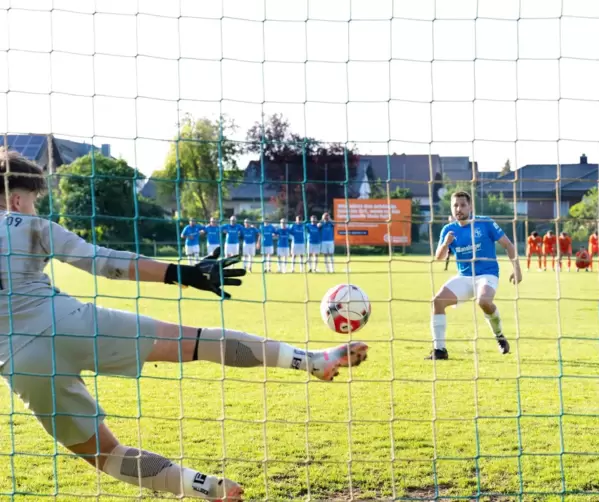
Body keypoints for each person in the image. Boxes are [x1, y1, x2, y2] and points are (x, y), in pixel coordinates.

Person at [0, 149, 370, 501]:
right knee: (198, 342)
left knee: (106, 455)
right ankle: (312, 361)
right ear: (16, 200)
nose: (34, 207)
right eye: (33, 199)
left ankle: (207, 488)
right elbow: (103, 261)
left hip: (20, 363)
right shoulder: (28, 223)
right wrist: (183, 273)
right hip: (71, 324)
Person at [427, 191, 522, 360]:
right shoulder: (448, 229)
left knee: (484, 301)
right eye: (455, 205)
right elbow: (439, 257)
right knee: (437, 301)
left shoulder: (485, 222)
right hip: (464, 278)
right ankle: (439, 350)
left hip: (487, 275)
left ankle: (499, 336)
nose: (459, 209)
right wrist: (446, 243)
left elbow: (508, 245)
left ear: (470, 206)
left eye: (463, 205)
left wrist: (517, 269)